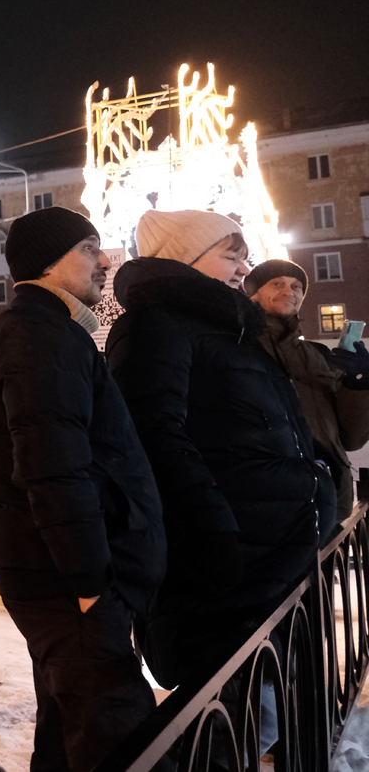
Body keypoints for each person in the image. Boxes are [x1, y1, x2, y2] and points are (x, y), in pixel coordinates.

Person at [0, 207, 168, 771]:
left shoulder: (46, 331)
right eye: (88, 248)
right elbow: (52, 470)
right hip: (66, 580)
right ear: (48, 263)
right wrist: (88, 583)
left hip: (54, 573)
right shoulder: (38, 336)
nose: (104, 261)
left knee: (69, 724)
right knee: (117, 737)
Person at [106, 209, 334, 698]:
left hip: (271, 541)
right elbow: (156, 436)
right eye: (232, 256)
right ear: (187, 257)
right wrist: (212, 526)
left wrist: (314, 465)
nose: (242, 268)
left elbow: (254, 421)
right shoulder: (156, 326)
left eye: (245, 257)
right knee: (228, 703)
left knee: (266, 699)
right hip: (229, 549)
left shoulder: (228, 327)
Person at [244, 259, 369, 521]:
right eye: (277, 283)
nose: (289, 292)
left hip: (332, 495)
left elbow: (351, 439)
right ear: (252, 293)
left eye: (296, 286)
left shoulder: (319, 355)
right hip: (269, 500)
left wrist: (358, 384)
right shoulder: (237, 349)